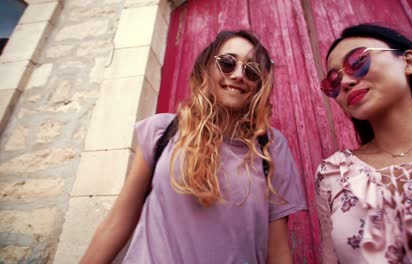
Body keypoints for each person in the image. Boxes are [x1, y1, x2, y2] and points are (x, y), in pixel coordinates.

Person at [80, 30, 307, 263]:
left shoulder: (271, 147)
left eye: (251, 70)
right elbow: (117, 222)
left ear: (259, 84)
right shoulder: (162, 131)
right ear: (207, 69)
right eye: (228, 63)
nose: (239, 75)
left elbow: (278, 252)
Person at [315, 23, 412, 263]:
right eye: (333, 82)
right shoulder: (333, 173)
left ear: (408, 62)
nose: (345, 82)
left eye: (357, 62)